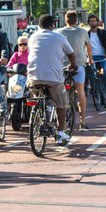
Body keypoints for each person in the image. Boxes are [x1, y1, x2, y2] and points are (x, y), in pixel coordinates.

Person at [27, 14, 77, 145]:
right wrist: (73, 65)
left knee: (36, 97)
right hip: (53, 78)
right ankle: (60, 132)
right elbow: (71, 53)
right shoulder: (59, 37)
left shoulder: (32, 37)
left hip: (33, 78)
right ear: (53, 25)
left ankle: (38, 114)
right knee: (62, 103)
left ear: (39, 25)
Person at [56, 10, 93, 130]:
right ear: (76, 20)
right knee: (80, 92)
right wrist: (90, 60)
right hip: (78, 65)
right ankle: (83, 121)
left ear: (65, 20)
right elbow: (89, 48)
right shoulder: (83, 32)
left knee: (60, 92)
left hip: (63, 66)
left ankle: (60, 122)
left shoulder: (58, 32)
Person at [87, 14, 106, 103]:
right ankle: (94, 90)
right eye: (91, 21)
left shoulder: (103, 33)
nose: (93, 22)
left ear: (97, 22)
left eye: (94, 21)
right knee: (90, 74)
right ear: (88, 23)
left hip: (103, 57)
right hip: (92, 58)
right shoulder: (86, 34)